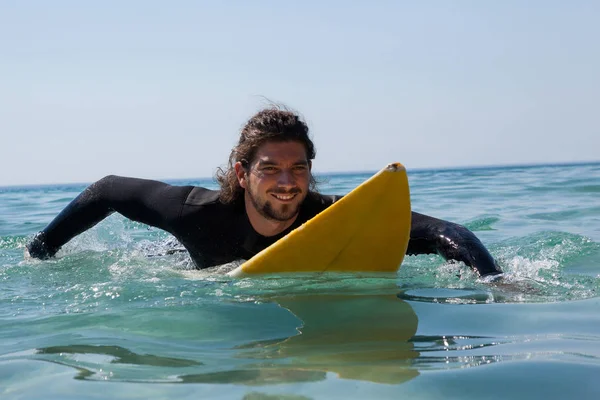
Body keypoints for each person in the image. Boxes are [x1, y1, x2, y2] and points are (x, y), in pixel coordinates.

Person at [26, 108, 502, 277]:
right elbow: (107, 190)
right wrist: (40, 252)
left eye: (298, 168)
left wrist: (494, 282)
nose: (287, 182)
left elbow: (445, 231)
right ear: (242, 172)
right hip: (177, 261)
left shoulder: (331, 219)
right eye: (270, 168)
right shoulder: (193, 212)